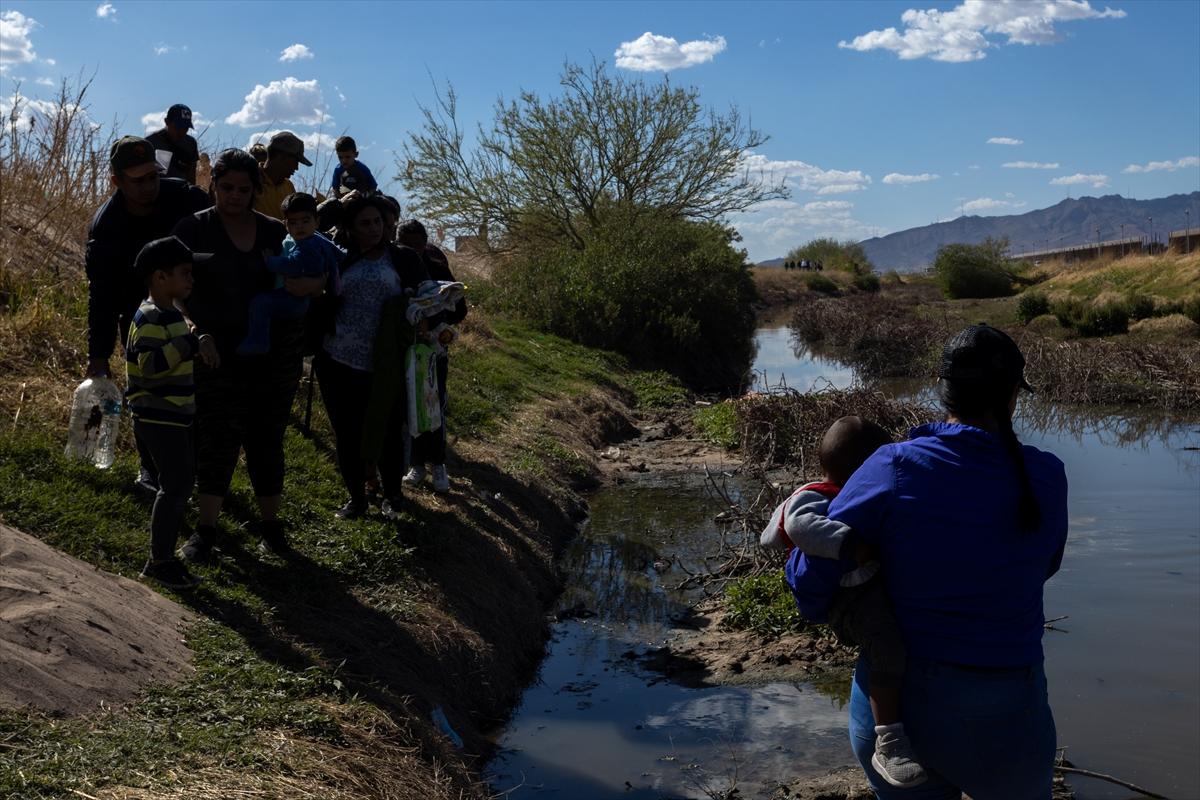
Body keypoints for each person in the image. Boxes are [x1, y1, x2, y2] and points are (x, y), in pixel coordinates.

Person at [828, 324, 1069, 799]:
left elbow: (816, 571)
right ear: (1013, 397)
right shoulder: (1046, 474)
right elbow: (1046, 566)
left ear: (944, 394)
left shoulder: (891, 466)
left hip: (898, 709)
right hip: (1007, 709)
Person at [172, 148, 324, 560]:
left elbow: (318, 270)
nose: (235, 196)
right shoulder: (192, 230)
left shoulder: (278, 233)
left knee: (267, 438)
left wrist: (310, 287)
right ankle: (205, 531)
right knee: (217, 438)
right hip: (216, 351)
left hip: (274, 354)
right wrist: (193, 331)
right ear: (213, 186)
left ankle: (271, 528)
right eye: (226, 188)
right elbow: (171, 291)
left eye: (243, 189)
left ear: (256, 190)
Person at [764, 417, 925, 788]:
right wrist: (852, 546)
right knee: (887, 645)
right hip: (848, 597)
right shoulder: (815, 495)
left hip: (860, 587)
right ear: (864, 471)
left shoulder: (845, 492)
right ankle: (890, 740)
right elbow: (797, 526)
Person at [85, 135, 211, 496]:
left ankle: (195, 468)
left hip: (191, 305)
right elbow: (102, 297)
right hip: (138, 316)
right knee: (147, 391)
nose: (148, 186)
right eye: (137, 180)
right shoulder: (106, 229)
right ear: (116, 181)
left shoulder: (185, 198)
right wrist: (98, 358)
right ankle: (150, 469)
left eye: (153, 177)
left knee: (194, 388)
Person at [312, 195, 428, 520]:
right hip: (337, 360)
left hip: (385, 364)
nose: (374, 228)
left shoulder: (402, 259)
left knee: (390, 431)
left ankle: (393, 496)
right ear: (350, 228)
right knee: (347, 434)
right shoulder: (339, 258)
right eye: (365, 223)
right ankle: (356, 499)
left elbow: (425, 297)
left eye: (378, 221)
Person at [126, 236, 217, 589]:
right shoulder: (150, 317)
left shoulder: (170, 313)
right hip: (157, 415)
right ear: (160, 278)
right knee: (175, 486)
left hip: (174, 415)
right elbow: (150, 366)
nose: (191, 279)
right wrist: (189, 345)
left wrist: (194, 343)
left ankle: (162, 559)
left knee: (179, 484)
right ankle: (160, 561)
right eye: (185, 273)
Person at [397, 220, 467, 493]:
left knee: (433, 403)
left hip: (435, 347)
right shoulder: (394, 264)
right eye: (407, 244)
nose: (414, 250)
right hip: (405, 348)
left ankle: (438, 464)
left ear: (425, 242)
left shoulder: (436, 263)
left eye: (418, 244)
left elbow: (459, 309)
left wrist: (438, 324)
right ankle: (416, 465)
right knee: (411, 405)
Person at [238, 192, 342, 356]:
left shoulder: (308, 245)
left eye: (305, 221)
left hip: (294, 299)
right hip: (293, 297)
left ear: (317, 221)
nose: (299, 226)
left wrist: (270, 262)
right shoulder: (307, 240)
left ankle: (259, 341)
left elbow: (293, 265)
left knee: (260, 304)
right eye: (294, 222)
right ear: (286, 224)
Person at [255, 131, 312, 221]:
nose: (296, 168)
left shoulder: (288, 186)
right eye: (295, 161)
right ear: (281, 157)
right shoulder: (251, 181)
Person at [146, 104, 200, 185]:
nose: (181, 132)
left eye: (185, 128)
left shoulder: (191, 143)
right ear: (167, 122)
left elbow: (191, 176)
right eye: (178, 127)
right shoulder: (150, 143)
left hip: (182, 193)